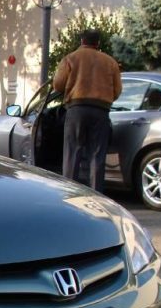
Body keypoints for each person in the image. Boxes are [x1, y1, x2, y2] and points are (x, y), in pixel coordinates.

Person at [52, 29, 122, 192]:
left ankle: (69, 192)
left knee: (72, 153)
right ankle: (96, 194)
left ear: (81, 41)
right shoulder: (110, 62)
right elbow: (117, 91)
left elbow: (58, 85)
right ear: (98, 43)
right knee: (97, 155)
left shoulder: (71, 58)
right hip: (101, 112)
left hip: (76, 110)